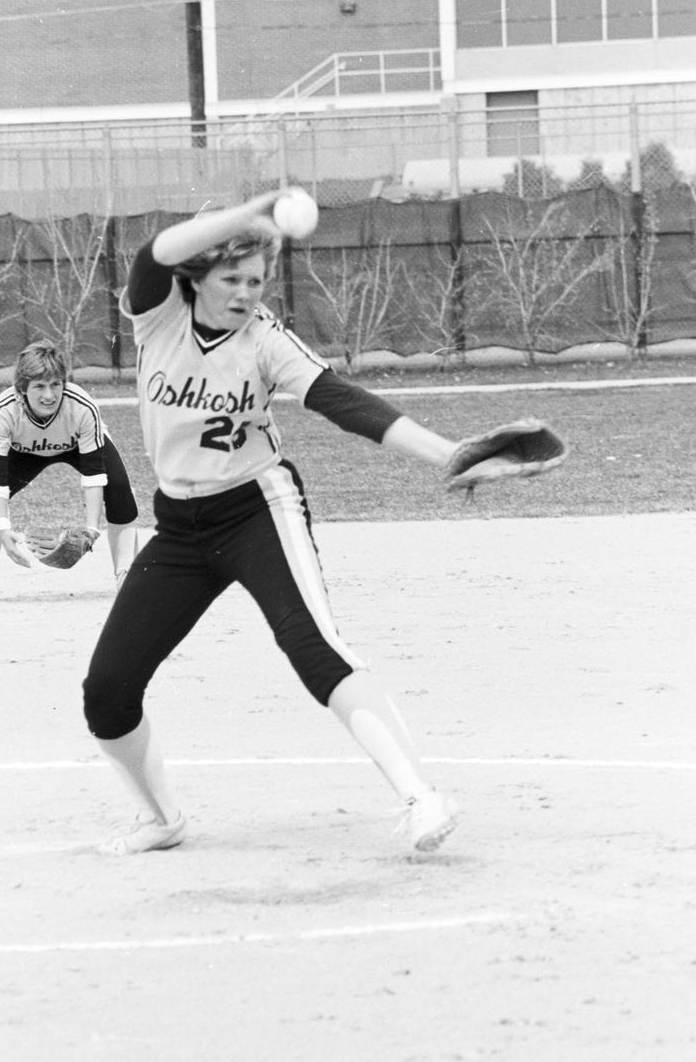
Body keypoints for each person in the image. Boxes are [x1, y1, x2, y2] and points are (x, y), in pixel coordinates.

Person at [82, 192, 475, 857]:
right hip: (179, 527)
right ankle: (162, 817)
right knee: (108, 690)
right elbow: (158, 251)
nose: (244, 293)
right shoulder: (157, 316)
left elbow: (343, 402)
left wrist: (450, 455)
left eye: (256, 280)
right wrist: (253, 211)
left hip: (256, 508)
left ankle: (420, 796)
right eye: (230, 278)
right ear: (197, 278)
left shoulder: (263, 339)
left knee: (313, 648)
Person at [0, 340, 139, 602]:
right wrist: (4, 530)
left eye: (55, 384)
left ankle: (127, 574)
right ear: (22, 389)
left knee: (120, 491)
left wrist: (91, 530)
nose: (49, 395)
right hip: (24, 450)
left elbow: (94, 476)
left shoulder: (81, 406)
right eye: (39, 386)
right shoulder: (2, 411)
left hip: (75, 445)